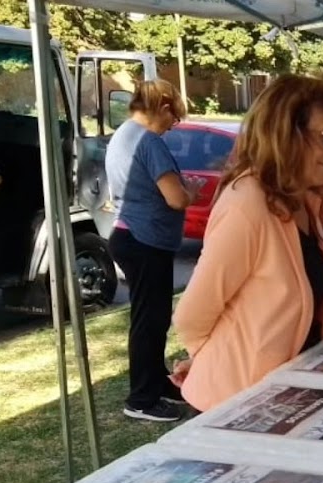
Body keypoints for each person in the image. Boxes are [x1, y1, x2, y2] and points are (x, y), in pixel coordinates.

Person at [170, 75, 323, 413]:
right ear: (284, 135)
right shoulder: (247, 202)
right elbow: (191, 317)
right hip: (236, 407)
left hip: (285, 399)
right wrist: (214, 362)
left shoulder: (301, 201)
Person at [105, 78, 200, 422]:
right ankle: (142, 399)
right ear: (162, 107)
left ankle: (157, 382)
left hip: (131, 235)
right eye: (173, 119)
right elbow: (175, 197)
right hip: (144, 240)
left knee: (151, 318)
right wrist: (191, 192)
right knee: (149, 321)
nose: (172, 127)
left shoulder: (123, 135)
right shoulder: (148, 142)